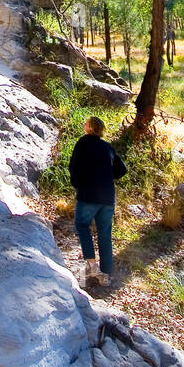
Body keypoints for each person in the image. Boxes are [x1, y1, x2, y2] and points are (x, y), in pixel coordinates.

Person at [68, 116, 127, 286]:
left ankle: (92, 265)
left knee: (82, 225)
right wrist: (107, 178)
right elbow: (122, 169)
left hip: (88, 194)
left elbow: (74, 166)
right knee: (105, 233)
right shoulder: (107, 147)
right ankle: (106, 275)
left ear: (90, 128)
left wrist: (78, 184)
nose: (84, 125)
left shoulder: (83, 143)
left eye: (86, 123)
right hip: (108, 197)